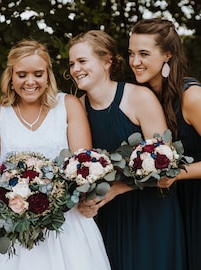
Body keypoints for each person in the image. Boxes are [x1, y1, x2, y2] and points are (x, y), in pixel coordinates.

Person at [0, 39, 111, 270]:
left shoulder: (69, 105)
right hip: (9, 223)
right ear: (11, 76)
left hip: (66, 223)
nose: (30, 81)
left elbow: (82, 167)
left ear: (48, 75)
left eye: (38, 74)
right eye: (22, 74)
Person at [68, 30, 187, 270]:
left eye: (82, 61)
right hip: (110, 214)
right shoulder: (76, 108)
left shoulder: (139, 97)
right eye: (71, 63)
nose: (75, 69)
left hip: (151, 210)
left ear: (107, 61)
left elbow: (166, 163)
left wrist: (117, 189)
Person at [128, 18, 201, 270]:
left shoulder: (192, 97)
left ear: (167, 55)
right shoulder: (144, 98)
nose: (135, 61)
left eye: (144, 54)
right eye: (131, 53)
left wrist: (175, 175)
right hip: (173, 205)